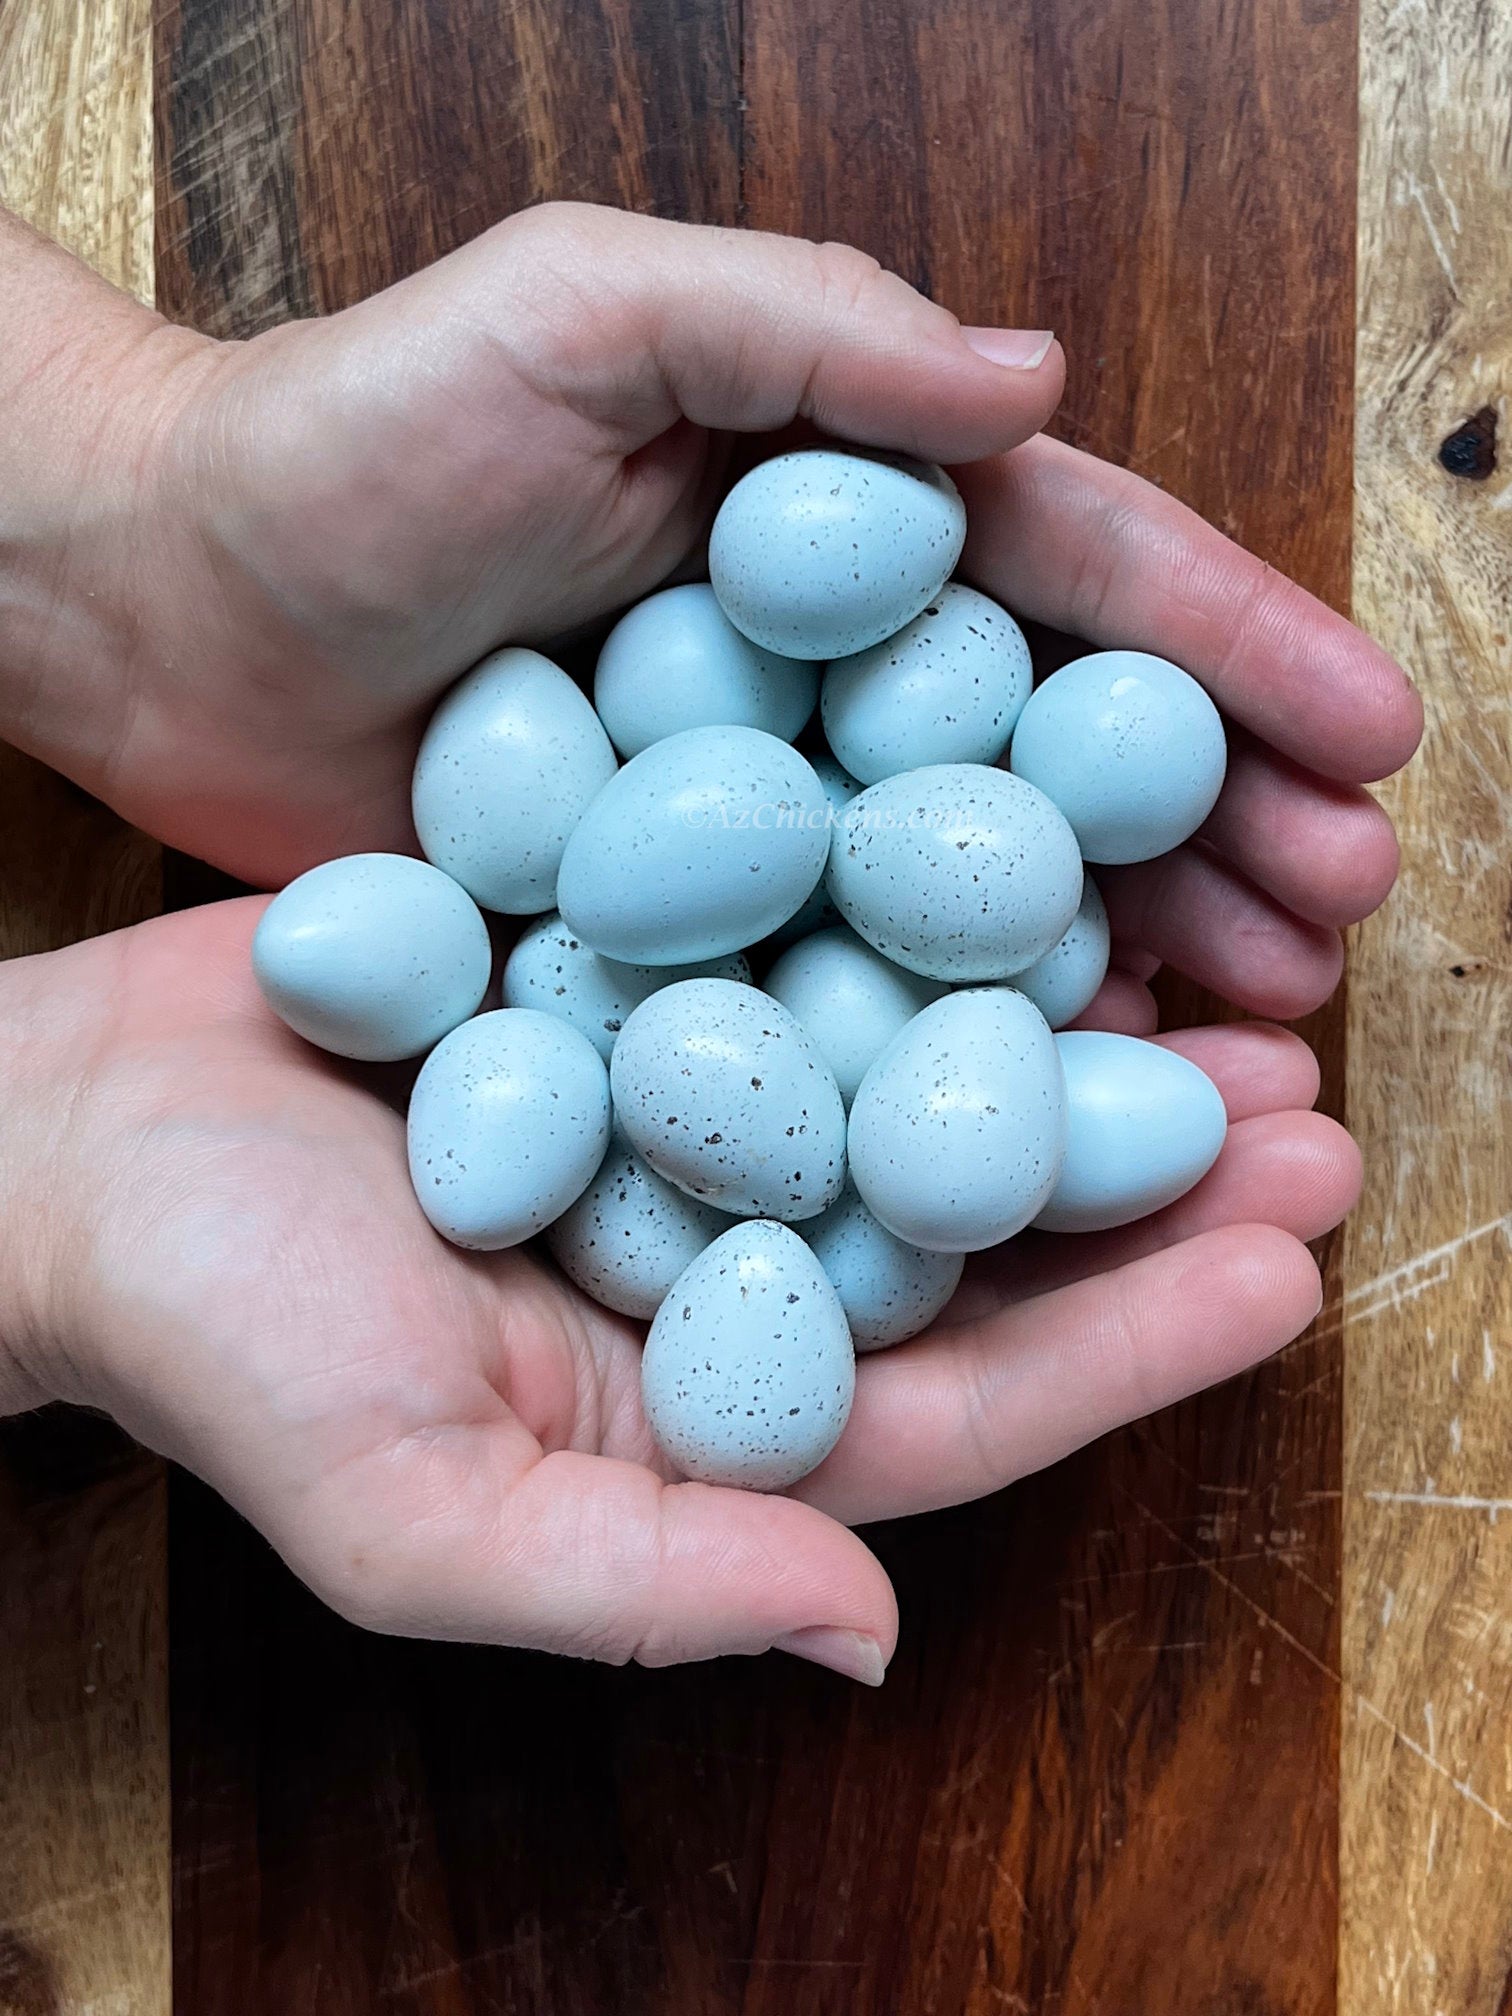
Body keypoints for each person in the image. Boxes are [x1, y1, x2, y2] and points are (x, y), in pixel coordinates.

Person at [0, 201, 1419, 1686]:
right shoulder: (656, 914)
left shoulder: (813, 873)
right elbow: (715, 965)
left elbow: (777, 955)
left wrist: (135, 487)